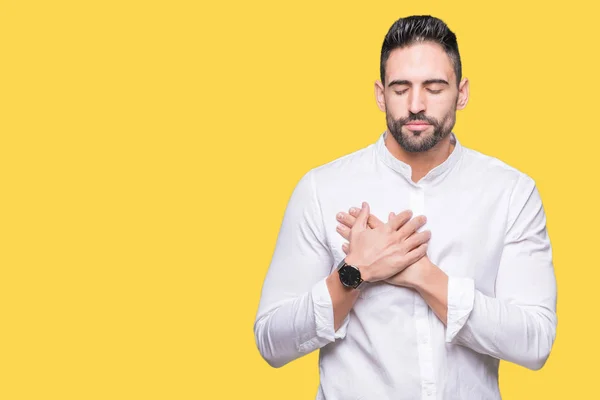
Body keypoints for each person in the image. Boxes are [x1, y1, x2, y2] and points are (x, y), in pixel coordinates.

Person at [253, 15, 557, 400]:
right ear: (380, 94)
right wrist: (355, 271)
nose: (416, 105)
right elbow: (271, 341)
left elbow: (534, 342)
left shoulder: (512, 193)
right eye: (401, 89)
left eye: (434, 88)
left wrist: (421, 274)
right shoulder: (321, 189)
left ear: (461, 92)